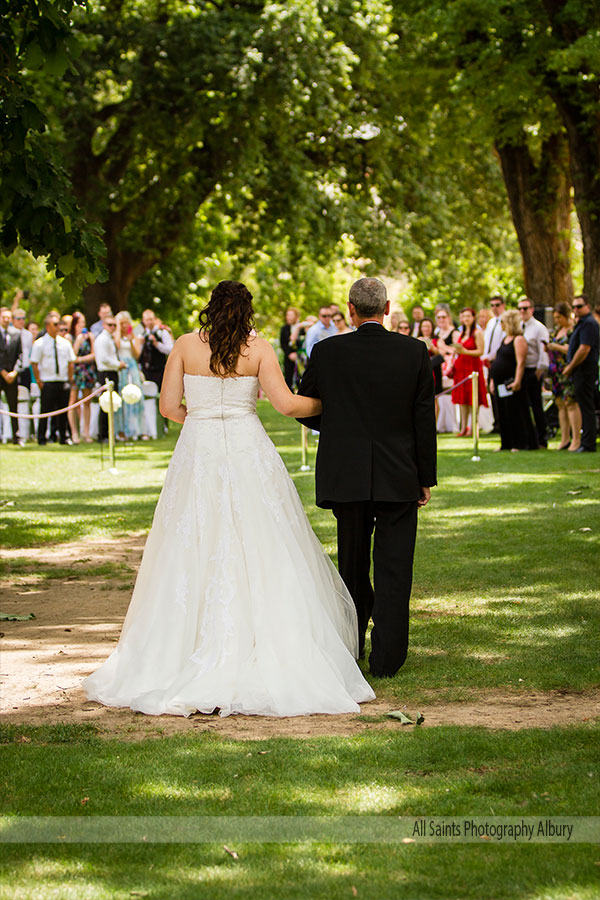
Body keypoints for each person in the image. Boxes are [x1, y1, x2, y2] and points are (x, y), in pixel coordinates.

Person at [83, 280, 374, 717]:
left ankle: (177, 649)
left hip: (198, 449)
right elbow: (288, 406)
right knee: (260, 536)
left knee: (191, 537)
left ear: (211, 308)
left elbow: (166, 406)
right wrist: (335, 403)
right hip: (245, 445)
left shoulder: (183, 344)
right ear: (247, 310)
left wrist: (199, 417)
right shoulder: (257, 349)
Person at [298, 277, 436, 678]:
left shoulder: (326, 351)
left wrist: (339, 424)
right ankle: (388, 658)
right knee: (395, 567)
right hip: (399, 474)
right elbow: (422, 419)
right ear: (387, 308)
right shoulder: (414, 351)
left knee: (353, 564)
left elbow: (308, 407)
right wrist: (424, 476)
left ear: (350, 310)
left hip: (347, 473)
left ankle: (353, 644)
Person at [489, 309, 534, 451]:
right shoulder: (504, 339)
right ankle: (505, 443)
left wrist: (517, 381)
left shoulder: (518, 339)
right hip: (499, 382)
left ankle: (520, 442)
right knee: (502, 412)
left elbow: (521, 362)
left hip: (511, 381)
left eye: (502, 321)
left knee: (515, 412)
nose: (500, 324)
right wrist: (491, 380)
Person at [30, 313, 75, 445]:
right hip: (48, 382)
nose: (58, 327)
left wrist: (69, 378)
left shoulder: (65, 343)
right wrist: (39, 381)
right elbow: (34, 363)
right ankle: (42, 437)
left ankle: (64, 436)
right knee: (45, 411)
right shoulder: (40, 344)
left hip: (62, 381)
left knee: (63, 411)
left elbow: (71, 361)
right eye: (55, 324)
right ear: (48, 326)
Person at [563, 295, 599, 453]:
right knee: (583, 405)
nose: (576, 309)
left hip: (585, 370)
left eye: (579, 306)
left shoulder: (589, 324)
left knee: (586, 406)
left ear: (588, 307)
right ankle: (586, 441)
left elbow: (584, 349)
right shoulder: (581, 323)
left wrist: (570, 367)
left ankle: (588, 443)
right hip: (580, 370)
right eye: (574, 307)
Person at [547, 302, 581, 452]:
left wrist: (557, 347)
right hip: (555, 371)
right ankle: (564, 438)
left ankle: (576, 439)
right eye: (555, 317)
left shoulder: (573, 330)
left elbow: (574, 350)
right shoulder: (556, 331)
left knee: (571, 403)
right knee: (560, 404)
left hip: (568, 370)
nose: (557, 320)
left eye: (559, 317)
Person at [518, 297, 550, 448]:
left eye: (525, 308)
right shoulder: (519, 326)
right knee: (524, 406)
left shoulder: (539, 328)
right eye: (520, 309)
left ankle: (542, 438)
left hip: (533, 370)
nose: (522, 311)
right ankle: (528, 438)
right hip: (522, 370)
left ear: (531, 309)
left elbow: (543, 350)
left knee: (537, 406)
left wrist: (540, 369)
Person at [451, 307, 488, 436]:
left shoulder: (477, 333)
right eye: (464, 316)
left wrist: (465, 351)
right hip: (461, 367)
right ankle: (463, 428)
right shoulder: (461, 333)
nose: (466, 319)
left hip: (473, 367)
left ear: (473, 318)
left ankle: (474, 427)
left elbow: (480, 351)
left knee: (473, 398)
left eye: (468, 316)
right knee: (463, 399)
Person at [94, 314, 126, 443]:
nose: (112, 327)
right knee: (106, 404)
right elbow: (104, 359)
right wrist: (118, 364)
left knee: (112, 404)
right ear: (103, 325)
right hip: (106, 373)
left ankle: (109, 434)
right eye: (109, 325)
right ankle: (103, 435)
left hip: (112, 372)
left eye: (114, 325)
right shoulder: (102, 339)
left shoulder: (109, 338)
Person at [114, 311, 145, 440]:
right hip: (121, 366)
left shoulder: (134, 335)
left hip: (132, 366)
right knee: (122, 395)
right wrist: (117, 329)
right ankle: (122, 430)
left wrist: (132, 340)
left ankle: (137, 429)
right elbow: (117, 345)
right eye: (122, 323)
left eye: (126, 322)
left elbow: (136, 354)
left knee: (136, 395)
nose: (124, 325)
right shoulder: (116, 336)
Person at [69, 312, 97, 444]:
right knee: (73, 403)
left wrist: (80, 359)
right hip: (75, 373)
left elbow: (94, 355)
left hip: (88, 373)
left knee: (87, 402)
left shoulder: (89, 338)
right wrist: (79, 342)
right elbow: (72, 356)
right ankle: (75, 433)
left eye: (84, 323)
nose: (82, 326)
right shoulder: (71, 338)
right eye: (80, 323)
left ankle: (86, 432)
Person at [0, 307, 22, 445]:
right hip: (0, 374)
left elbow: (20, 356)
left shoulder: (16, 334)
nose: (6, 320)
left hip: (12, 376)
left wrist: (15, 372)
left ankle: (16, 436)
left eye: (9, 317)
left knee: (14, 406)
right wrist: (2, 372)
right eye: (4, 317)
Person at [139, 308, 173, 390]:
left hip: (160, 370)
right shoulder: (141, 334)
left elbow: (170, 350)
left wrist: (157, 344)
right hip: (146, 370)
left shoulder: (162, 332)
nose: (149, 322)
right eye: (147, 320)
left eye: (151, 319)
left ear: (154, 319)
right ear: (143, 321)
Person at [279, 307, 300, 389]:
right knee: (288, 378)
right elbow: (283, 343)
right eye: (288, 315)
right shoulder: (284, 329)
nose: (288, 317)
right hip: (288, 357)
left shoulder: (301, 327)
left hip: (300, 357)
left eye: (291, 315)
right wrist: (289, 354)